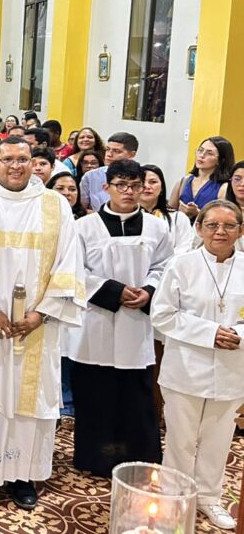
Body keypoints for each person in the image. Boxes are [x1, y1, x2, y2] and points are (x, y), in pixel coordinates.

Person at [0, 137, 85, 509]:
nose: (15, 166)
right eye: (7, 159)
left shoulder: (55, 206)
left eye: (23, 159)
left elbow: (69, 263)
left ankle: (23, 474)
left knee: (31, 401)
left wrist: (41, 314)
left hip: (37, 327)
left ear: (35, 162)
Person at [66, 160, 172, 477]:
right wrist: (113, 291)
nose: (128, 192)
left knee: (135, 396)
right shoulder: (83, 228)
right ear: (106, 187)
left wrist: (150, 291)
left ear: (144, 188)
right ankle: (95, 459)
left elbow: (165, 266)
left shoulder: (157, 227)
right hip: (96, 323)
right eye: (121, 185)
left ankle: (137, 459)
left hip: (136, 324)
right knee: (95, 395)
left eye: (135, 185)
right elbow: (73, 271)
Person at [152, 200, 244, 530]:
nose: (220, 232)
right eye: (212, 225)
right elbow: (161, 314)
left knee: (219, 440)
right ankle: (172, 496)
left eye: (229, 226)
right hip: (186, 368)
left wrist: (238, 335)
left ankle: (209, 497)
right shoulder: (181, 265)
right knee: (181, 438)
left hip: (233, 369)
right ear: (199, 228)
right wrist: (210, 333)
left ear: (240, 230)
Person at [169, 136, 234, 220]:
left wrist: (198, 213)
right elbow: (170, 210)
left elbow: (223, 219)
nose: (202, 155)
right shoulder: (184, 181)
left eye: (209, 153)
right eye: (200, 150)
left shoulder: (224, 187)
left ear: (220, 160)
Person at [140, 164, 195, 256]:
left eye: (153, 182)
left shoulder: (178, 218)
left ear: (161, 188)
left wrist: (162, 263)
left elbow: (185, 247)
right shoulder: (126, 217)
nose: (147, 186)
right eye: (141, 182)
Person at [80, 132, 138, 212]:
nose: (109, 154)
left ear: (131, 155)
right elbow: (82, 209)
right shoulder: (90, 176)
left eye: (117, 151)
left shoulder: (139, 177)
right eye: (107, 149)